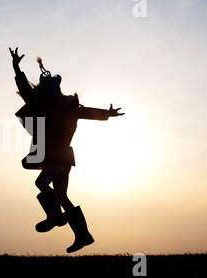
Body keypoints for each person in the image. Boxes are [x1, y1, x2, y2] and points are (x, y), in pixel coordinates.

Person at [9, 47, 124, 253]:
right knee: (62, 196)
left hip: (59, 157)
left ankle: (55, 217)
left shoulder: (67, 106)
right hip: (63, 158)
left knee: (41, 182)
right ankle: (83, 235)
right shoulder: (46, 105)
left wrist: (108, 113)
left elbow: (87, 112)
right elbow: (25, 88)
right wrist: (17, 67)